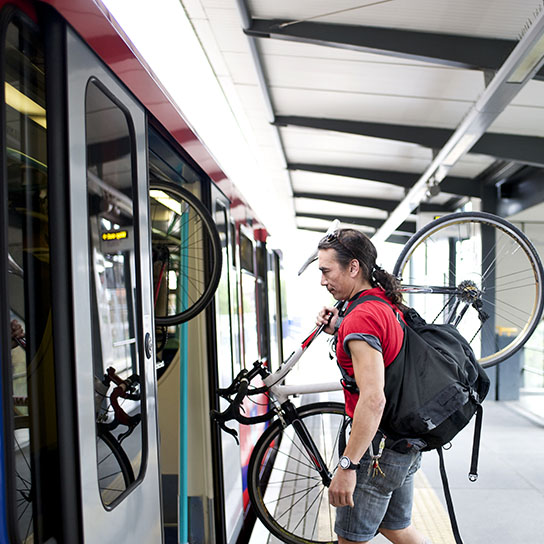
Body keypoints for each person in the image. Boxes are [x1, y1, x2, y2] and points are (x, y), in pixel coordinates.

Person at [316, 229, 431, 544]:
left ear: (353, 267)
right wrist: (338, 327)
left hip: (376, 449)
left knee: (351, 540)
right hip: (402, 444)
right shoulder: (384, 303)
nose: (323, 281)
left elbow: (372, 399)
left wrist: (347, 465)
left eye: (326, 271)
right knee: (396, 528)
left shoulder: (361, 318)